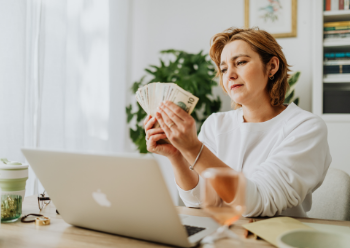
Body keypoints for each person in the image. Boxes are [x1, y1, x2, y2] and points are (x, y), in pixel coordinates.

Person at [143, 27, 332, 217]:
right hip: (223, 235)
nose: (230, 74)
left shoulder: (306, 127)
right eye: (224, 69)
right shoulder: (216, 124)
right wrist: (177, 156)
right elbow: (199, 201)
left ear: (272, 67)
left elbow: (258, 202)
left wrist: (193, 149)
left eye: (240, 62)